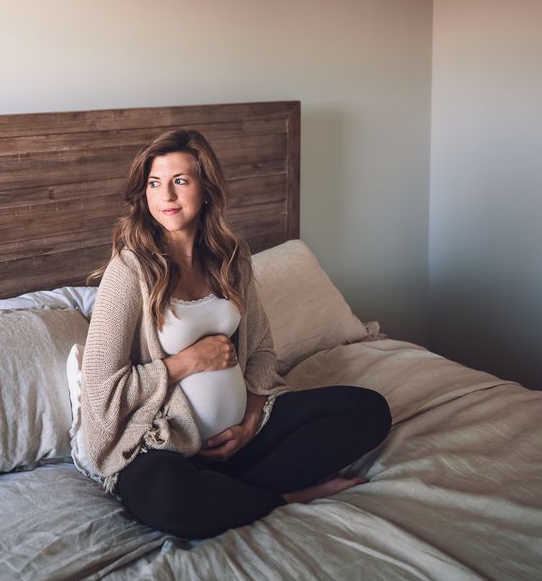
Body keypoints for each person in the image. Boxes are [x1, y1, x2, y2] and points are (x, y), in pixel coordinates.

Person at [81, 128, 391, 540]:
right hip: (164, 445)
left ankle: (233, 491)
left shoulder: (232, 258)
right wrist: (186, 363)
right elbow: (100, 389)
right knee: (172, 500)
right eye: (155, 183)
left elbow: (261, 348)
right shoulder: (130, 269)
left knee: (368, 411)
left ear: (206, 189)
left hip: (244, 438)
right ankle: (285, 497)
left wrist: (248, 420)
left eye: (180, 181)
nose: (166, 196)